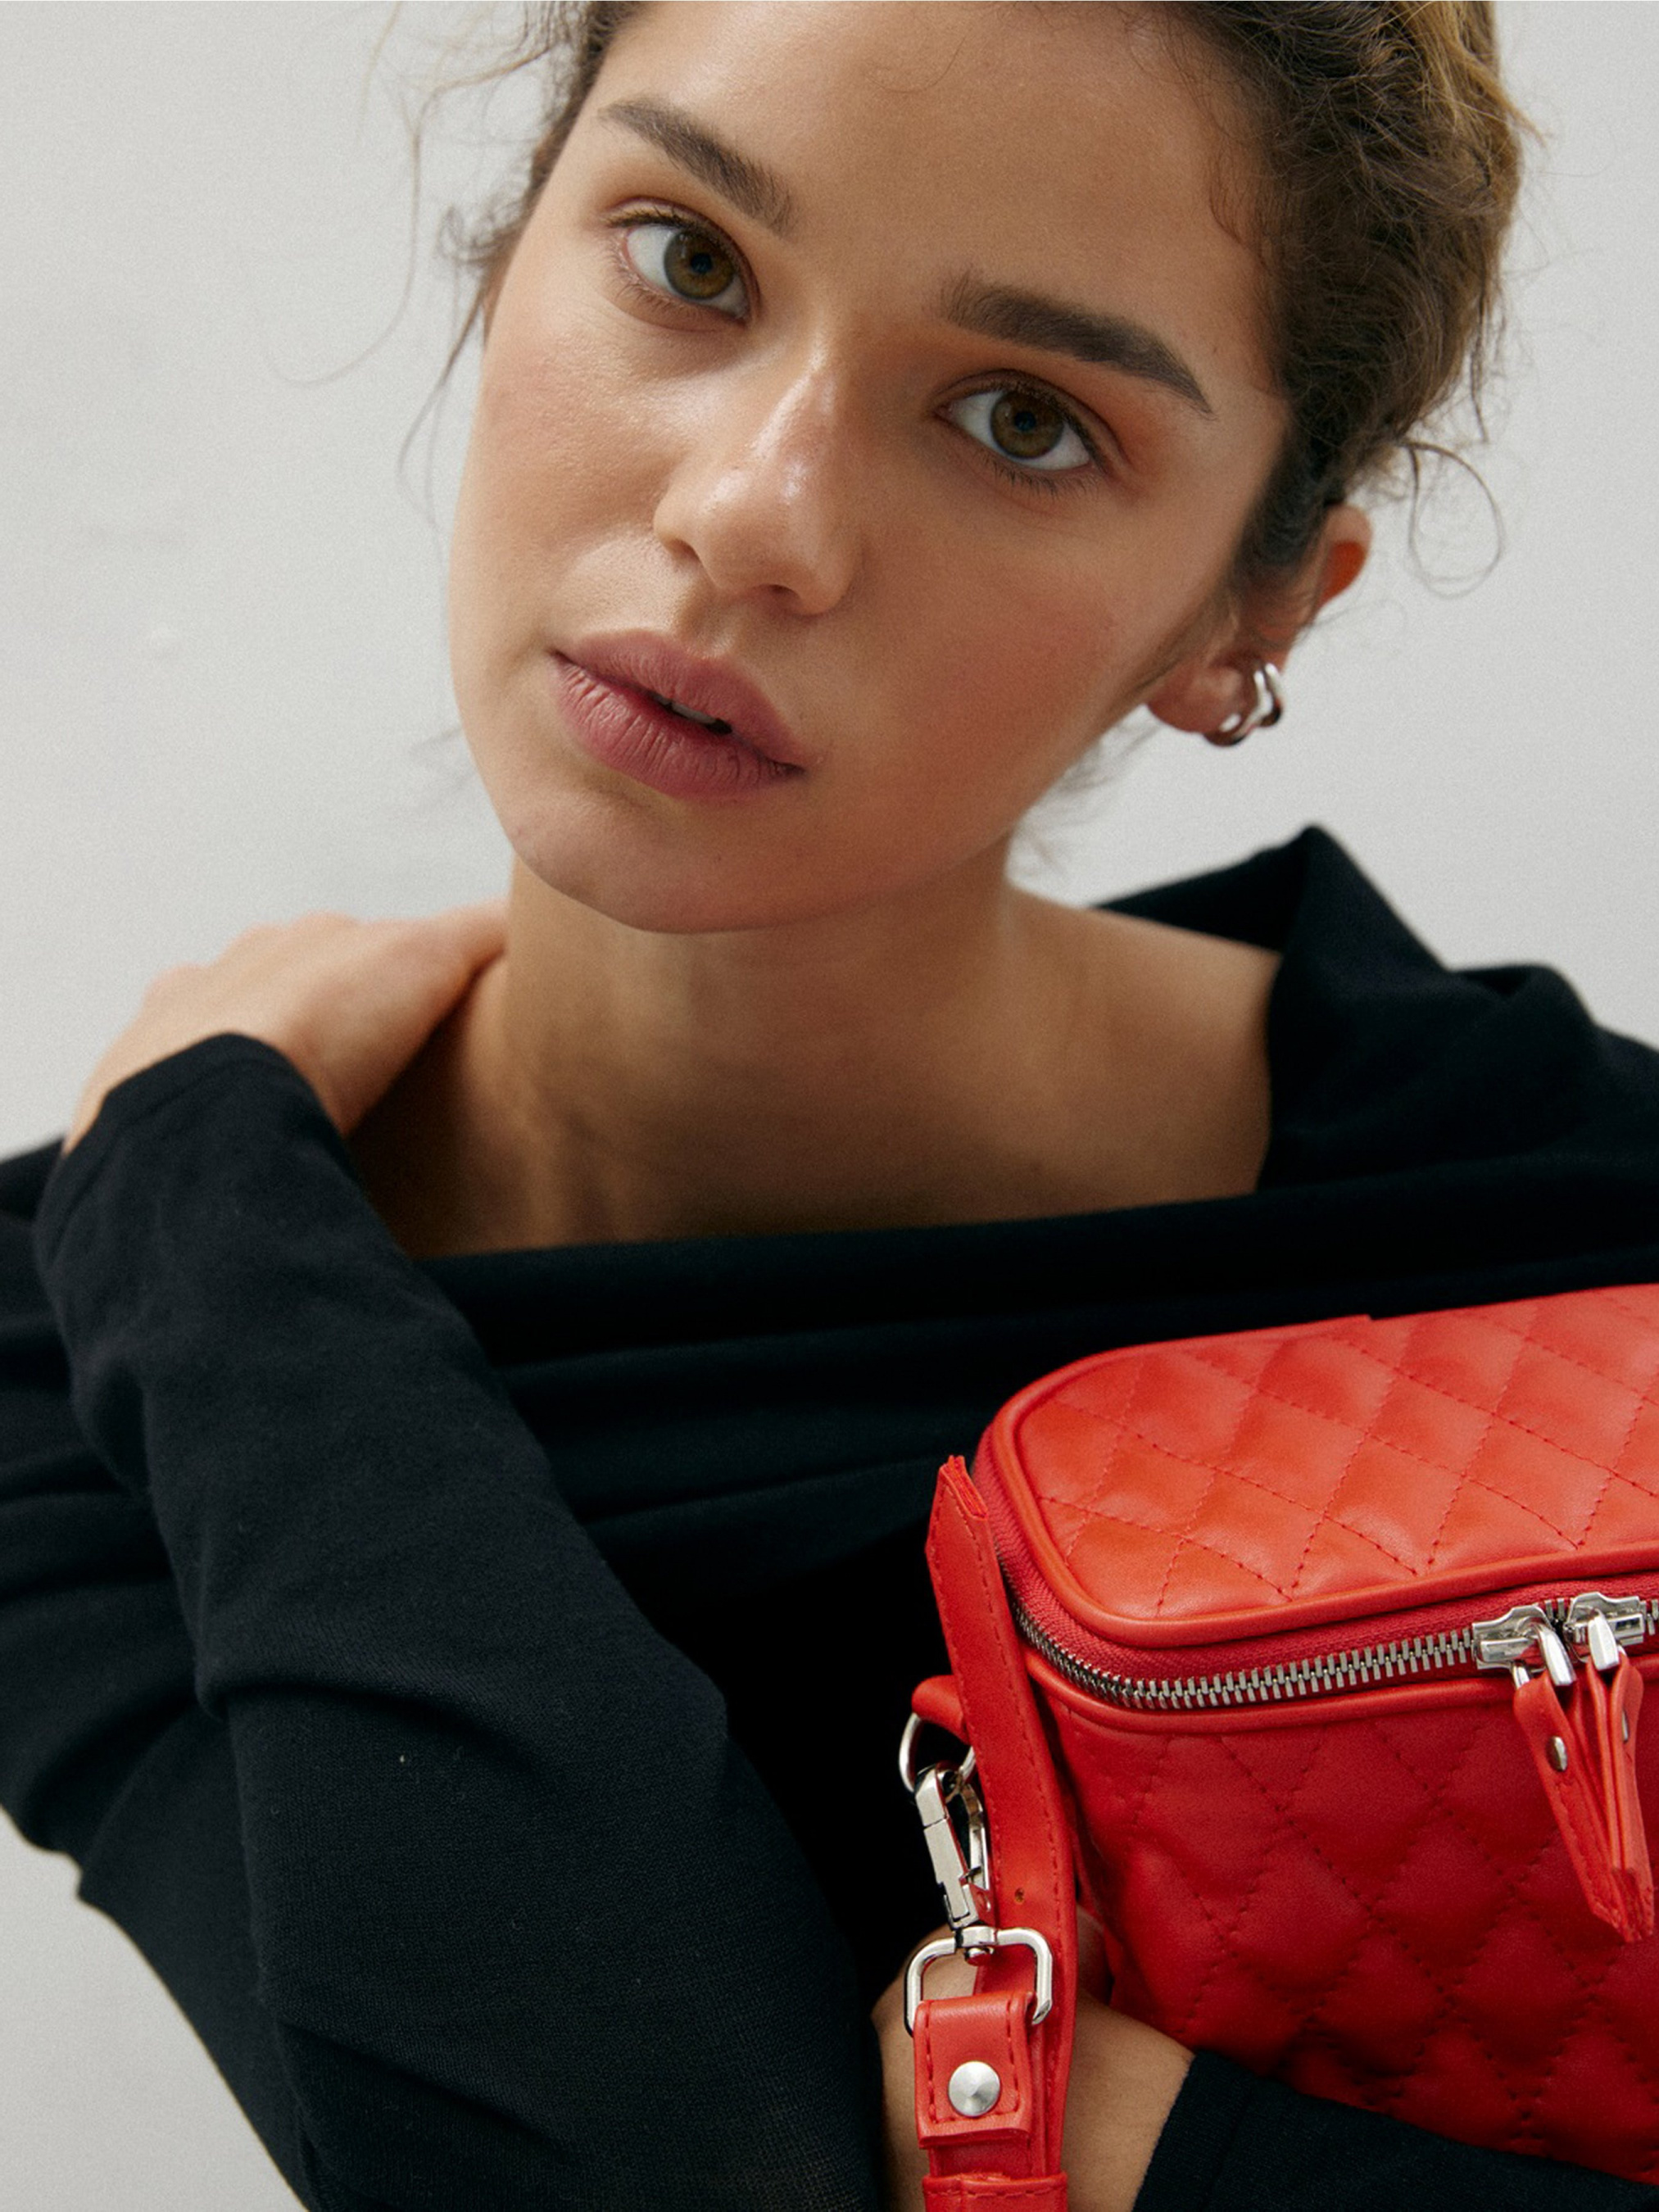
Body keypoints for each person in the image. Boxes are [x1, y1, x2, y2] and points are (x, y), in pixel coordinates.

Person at [4, 2, 1659, 2207]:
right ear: (514, 241)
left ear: (1247, 610)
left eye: (1021, 419)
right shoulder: (99, 1338)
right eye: (689, 261)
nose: (747, 515)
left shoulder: (1583, 1238)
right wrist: (202, 1220)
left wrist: (1166, 2165)